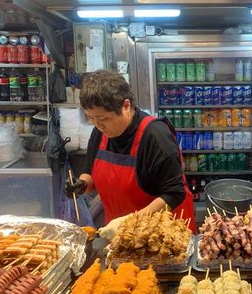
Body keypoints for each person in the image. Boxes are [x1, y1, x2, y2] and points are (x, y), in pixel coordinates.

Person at [64, 70, 195, 239]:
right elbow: (90, 173)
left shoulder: (155, 136)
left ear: (126, 106)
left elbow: (174, 194)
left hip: (162, 234)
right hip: (120, 235)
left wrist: (131, 222)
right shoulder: (100, 133)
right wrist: (81, 184)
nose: (97, 125)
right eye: (90, 118)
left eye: (103, 119)